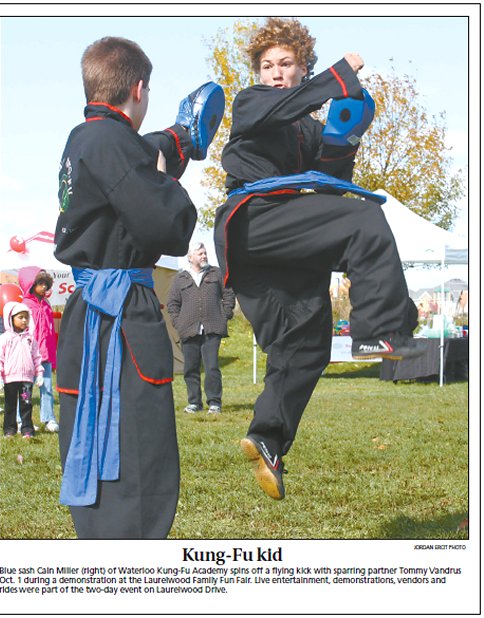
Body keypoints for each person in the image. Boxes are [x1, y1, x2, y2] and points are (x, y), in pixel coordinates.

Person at [213, 17, 423, 500]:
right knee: (364, 222)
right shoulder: (252, 103)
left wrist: (345, 137)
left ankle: (267, 438)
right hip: (255, 218)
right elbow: (289, 107)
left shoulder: (305, 128)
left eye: (286, 64)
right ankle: (381, 332)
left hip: (288, 241)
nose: (275, 72)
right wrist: (341, 75)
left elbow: (326, 175)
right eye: (267, 65)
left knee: (305, 345)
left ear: (301, 68)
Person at [53, 36, 223, 539]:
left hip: (88, 309)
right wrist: (170, 179)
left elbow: (129, 166)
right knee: (138, 452)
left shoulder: (84, 139)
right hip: (122, 315)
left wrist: (175, 140)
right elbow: (169, 227)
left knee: (98, 436)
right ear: (139, 88)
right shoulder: (112, 144)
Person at [167, 241, 236, 414]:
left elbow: (228, 294)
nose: (204, 256)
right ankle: (194, 403)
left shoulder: (216, 273)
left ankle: (214, 403)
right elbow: (172, 304)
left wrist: (225, 315)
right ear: (190, 257)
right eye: (200, 254)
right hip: (188, 329)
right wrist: (178, 322)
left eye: (205, 253)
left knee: (212, 367)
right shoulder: (180, 278)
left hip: (212, 328)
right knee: (191, 368)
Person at [18, 266, 59, 432]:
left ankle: (49, 418)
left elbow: (49, 333)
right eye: (39, 283)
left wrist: (53, 357)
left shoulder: (47, 305)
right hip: (29, 356)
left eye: (45, 283)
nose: (44, 287)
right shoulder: (24, 306)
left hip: (46, 356)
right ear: (31, 284)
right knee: (26, 389)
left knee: (47, 388)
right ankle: (22, 420)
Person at [0, 301, 44, 439]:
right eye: (20, 317)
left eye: (26, 317)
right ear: (11, 319)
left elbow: (37, 357)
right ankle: (9, 430)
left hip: (27, 380)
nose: (24, 320)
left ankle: (27, 430)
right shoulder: (5, 338)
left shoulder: (30, 339)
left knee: (26, 404)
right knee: (10, 405)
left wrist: (40, 374)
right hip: (10, 379)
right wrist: (0, 377)